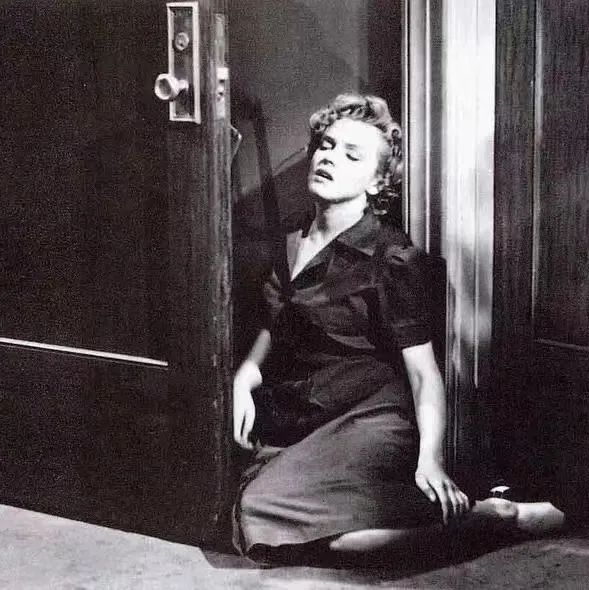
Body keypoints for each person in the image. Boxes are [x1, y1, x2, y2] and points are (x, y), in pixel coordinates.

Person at [231, 94, 564, 565]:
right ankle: (481, 518)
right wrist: (247, 373)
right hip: (307, 413)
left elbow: (424, 374)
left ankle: (493, 517)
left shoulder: (390, 257)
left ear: (376, 182)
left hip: (373, 415)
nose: (329, 157)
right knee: (300, 531)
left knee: (268, 512)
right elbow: (276, 319)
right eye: (326, 145)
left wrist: (432, 458)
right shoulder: (290, 242)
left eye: (352, 155)